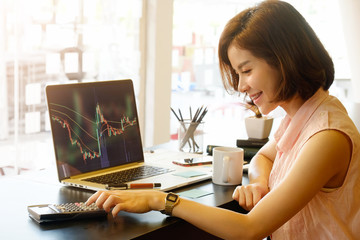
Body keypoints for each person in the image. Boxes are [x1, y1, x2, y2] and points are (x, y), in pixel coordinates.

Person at [86, 1, 360, 239]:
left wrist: (159, 199)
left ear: (284, 60)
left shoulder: (327, 137)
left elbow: (250, 229)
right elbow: (262, 159)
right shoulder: (303, 116)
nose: (241, 86)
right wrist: (259, 183)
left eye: (247, 70)